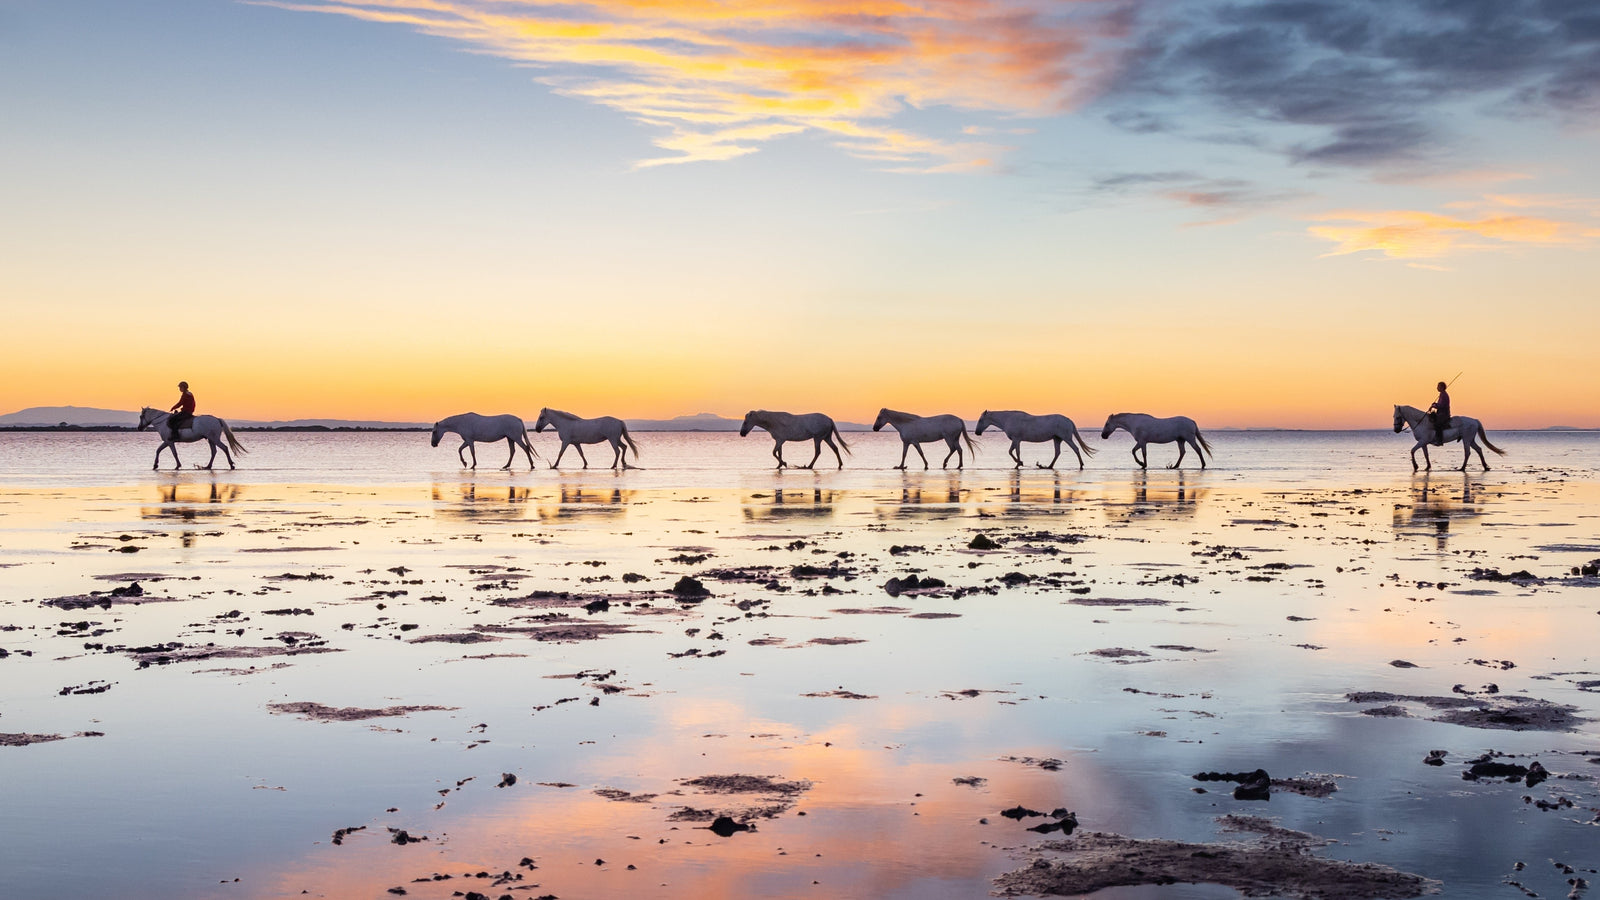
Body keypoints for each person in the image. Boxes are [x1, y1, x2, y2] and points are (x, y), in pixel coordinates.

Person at [1426, 380, 1450, 446]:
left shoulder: (1444, 395)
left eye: (1438, 386)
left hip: (1444, 414)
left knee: (1437, 424)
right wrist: (1434, 404)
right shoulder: (1441, 394)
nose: (1437, 388)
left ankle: (1439, 441)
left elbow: (1442, 405)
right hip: (1440, 413)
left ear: (1442, 387)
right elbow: (1439, 404)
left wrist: (1434, 406)